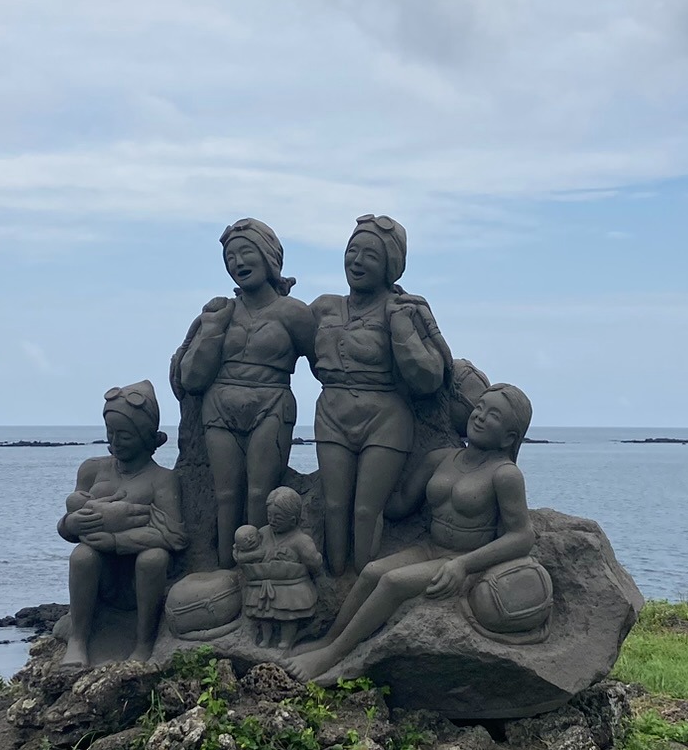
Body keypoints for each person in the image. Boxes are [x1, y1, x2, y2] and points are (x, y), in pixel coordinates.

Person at [290, 382, 535, 683]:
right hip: (430, 548)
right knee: (371, 571)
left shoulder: (505, 475)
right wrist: (364, 488)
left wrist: (463, 566)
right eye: (480, 407)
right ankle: (329, 639)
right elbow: (400, 504)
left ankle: (334, 654)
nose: (480, 416)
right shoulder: (443, 458)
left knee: (393, 581)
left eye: (493, 415)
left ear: (510, 436)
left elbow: (522, 536)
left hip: (464, 561)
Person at [308, 215, 452, 575]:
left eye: (369, 256)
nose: (356, 261)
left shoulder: (406, 309)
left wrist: (400, 325)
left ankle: (363, 584)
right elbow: (291, 344)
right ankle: (335, 582)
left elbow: (431, 377)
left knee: (366, 509)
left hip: (385, 417)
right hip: (331, 411)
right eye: (351, 251)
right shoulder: (324, 307)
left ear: (390, 265)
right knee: (335, 504)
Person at [170, 219, 316, 569]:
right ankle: (225, 571)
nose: (238, 262)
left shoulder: (294, 313)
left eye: (246, 252)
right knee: (225, 496)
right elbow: (191, 378)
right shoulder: (221, 312)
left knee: (259, 495)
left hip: (271, 404)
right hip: (219, 407)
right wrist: (211, 329)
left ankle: (259, 569)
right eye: (230, 256)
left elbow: (326, 367)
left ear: (269, 257)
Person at [58, 382, 186, 664]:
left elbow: (174, 535)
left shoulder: (162, 479)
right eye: (111, 433)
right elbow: (69, 527)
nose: (115, 441)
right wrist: (72, 524)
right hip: (103, 577)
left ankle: (144, 642)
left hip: (139, 581)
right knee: (82, 555)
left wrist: (117, 540)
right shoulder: (93, 469)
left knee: (154, 558)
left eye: (125, 435)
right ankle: (78, 639)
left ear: (145, 436)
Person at [235, 486, 324, 649]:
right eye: (269, 515)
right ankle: (266, 637)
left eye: (278, 517)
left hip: (290, 586)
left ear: (293, 520)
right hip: (264, 583)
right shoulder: (262, 533)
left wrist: (312, 559)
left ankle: (286, 640)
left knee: (288, 615)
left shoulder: (300, 540)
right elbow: (249, 552)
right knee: (264, 615)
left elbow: (314, 562)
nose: (272, 520)